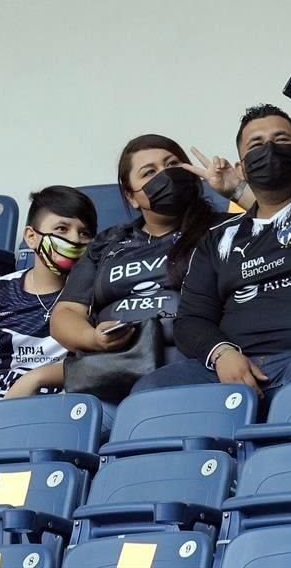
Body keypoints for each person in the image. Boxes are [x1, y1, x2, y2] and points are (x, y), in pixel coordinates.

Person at [132, 90, 291, 402]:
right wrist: (222, 354)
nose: (268, 149)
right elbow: (192, 321)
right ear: (241, 168)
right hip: (238, 371)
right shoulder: (219, 239)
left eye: (281, 139)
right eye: (255, 145)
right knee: (151, 392)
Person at [40, 134, 255, 395]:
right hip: (113, 370)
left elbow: (287, 227)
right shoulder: (107, 243)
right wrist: (93, 338)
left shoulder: (224, 229)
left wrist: (237, 191)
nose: (165, 176)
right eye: (149, 172)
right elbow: (65, 315)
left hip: (198, 367)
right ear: (131, 196)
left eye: (173, 164)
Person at [0, 186, 97, 401]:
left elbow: (104, 365)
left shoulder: (96, 293)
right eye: (62, 229)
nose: (75, 239)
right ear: (31, 237)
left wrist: (36, 378)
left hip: (64, 409)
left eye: (84, 233)